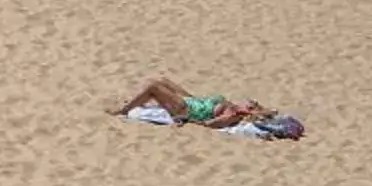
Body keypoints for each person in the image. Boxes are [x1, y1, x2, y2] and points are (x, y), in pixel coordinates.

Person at [114, 78, 273, 128]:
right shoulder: (231, 106)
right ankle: (138, 100)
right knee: (162, 80)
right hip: (193, 100)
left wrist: (188, 121)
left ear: (248, 109)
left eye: (253, 104)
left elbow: (209, 123)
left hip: (186, 109)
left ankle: (123, 110)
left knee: (153, 87)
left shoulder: (233, 114)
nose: (251, 100)